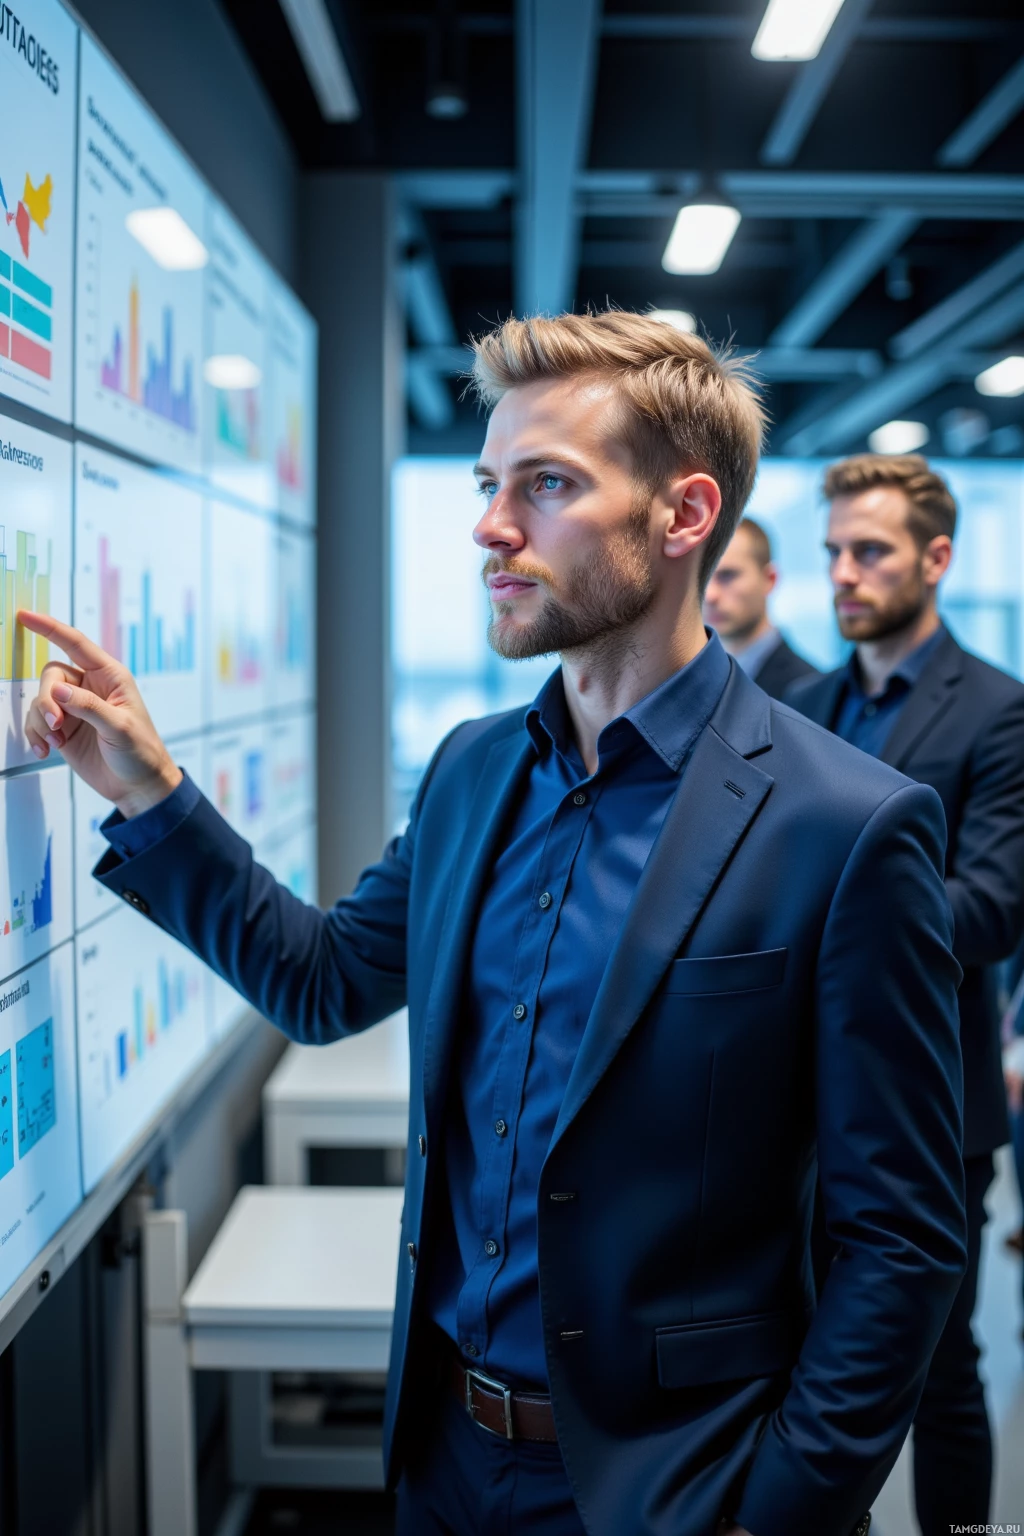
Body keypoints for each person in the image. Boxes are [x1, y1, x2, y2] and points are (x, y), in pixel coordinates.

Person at [20, 314, 966, 1536]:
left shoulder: (844, 824)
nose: (490, 526)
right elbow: (324, 981)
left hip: (676, 1486)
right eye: (486, 484)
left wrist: (778, 1510)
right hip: (443, 1463)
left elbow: (900, 1238)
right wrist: (153, 793)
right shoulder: (472, 771)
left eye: (547, 485)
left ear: (683, 516)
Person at [787, 452, 1024, 1536]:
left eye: (870, 551)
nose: (844, 573)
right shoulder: (801, 706)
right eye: (834, 551)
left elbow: (991, 908)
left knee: (936, 1365)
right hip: (793, 1096)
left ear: (936, 558)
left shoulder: (999, 712)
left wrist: (832, 921)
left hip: (933, 1101)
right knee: (798, 1356)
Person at [703, 516, 819, 699]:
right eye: (702, 578)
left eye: (727, 575)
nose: (710, 595)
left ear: (769, 579)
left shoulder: (808, 691)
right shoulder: (688, 680)